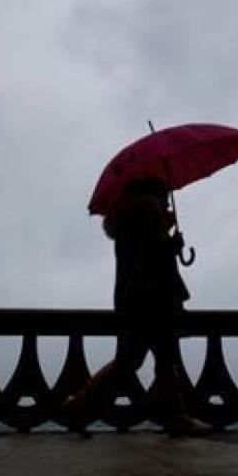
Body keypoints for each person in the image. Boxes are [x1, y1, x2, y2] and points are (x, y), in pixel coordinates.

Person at [63, 177, 208, 436]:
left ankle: (78, 409)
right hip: (153, 300)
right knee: (157, 359)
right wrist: (171, 242)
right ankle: (175, 418)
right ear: (155, 194)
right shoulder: (148, 212)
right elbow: (152, 257)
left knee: (133, 361)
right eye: (165, 195)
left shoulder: (128, 218)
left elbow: (139, 255)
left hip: (134, 300)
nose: (166, 200)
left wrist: (166, 232)